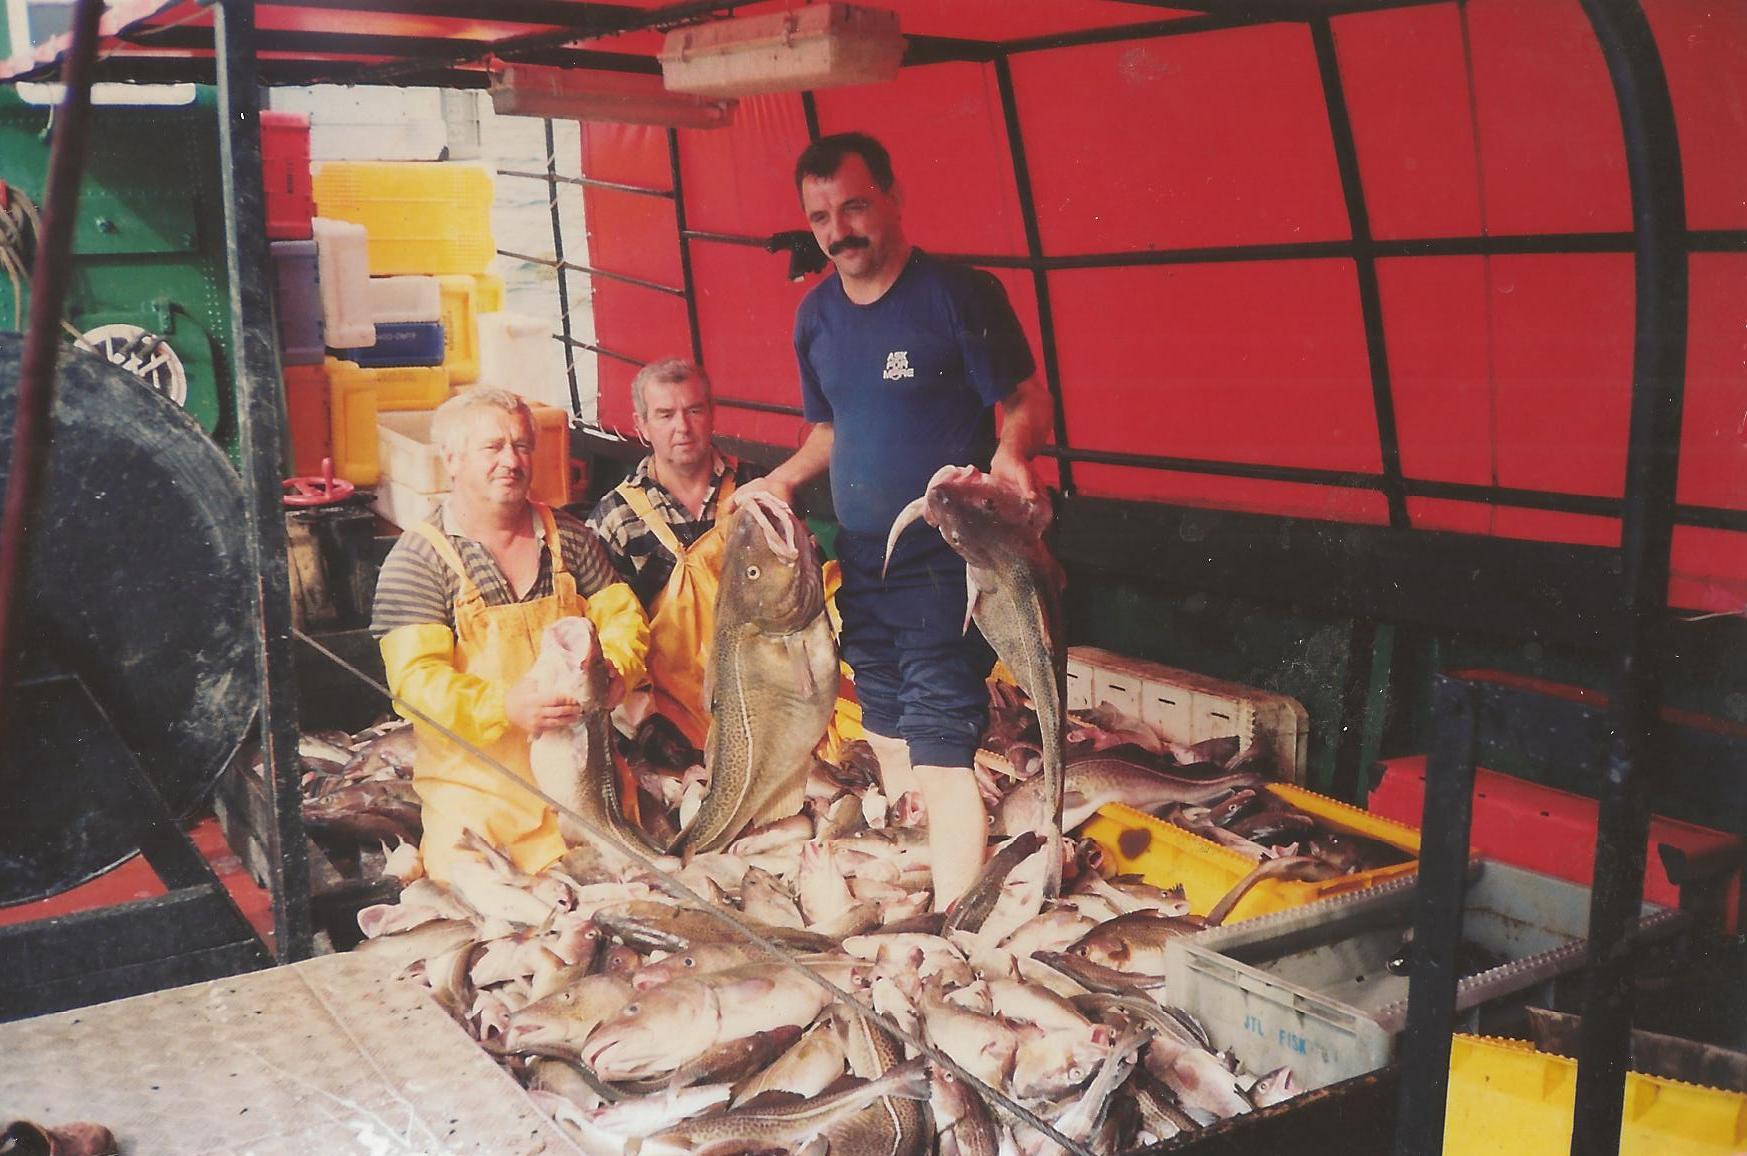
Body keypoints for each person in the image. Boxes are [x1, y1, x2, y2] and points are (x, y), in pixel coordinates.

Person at [735, 132, 1054, 908]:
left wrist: (1011, 453)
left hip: (947, 560)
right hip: (863, 559)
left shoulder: (956, 294)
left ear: (893, 196)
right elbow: (830, 429)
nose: (837, 231)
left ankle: (955, 928)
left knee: (940, 738)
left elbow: (1024, 398)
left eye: (853, 207)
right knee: (882, 722)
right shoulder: (815, 318)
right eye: (819, 218)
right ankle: (927, 868)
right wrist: (778, 480)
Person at [372, 387, 649, 882]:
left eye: (521, 446)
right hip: (479, 811)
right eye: (492, 447)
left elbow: (623, 618)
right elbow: (416, 684)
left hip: (589, 790)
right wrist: (504, 707)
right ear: (451, 459)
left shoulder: (572, 539)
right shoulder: (418, 560)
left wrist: (618, 670)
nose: (511, 460)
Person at [588, 359, 756, 750]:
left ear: (711, 414)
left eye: (693, 410)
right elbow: (610, 636)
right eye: (665, 415)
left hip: (763, 705)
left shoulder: (755, 489)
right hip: (671, 725)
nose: (682, 427)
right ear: (642, 426)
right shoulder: (616, 517)